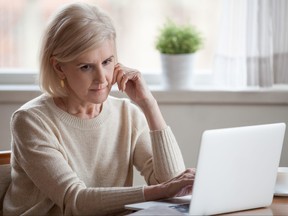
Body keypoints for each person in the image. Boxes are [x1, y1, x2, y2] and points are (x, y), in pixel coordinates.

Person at [3, 2, 195, 215]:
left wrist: (149, 104)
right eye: (86, 67)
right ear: (58, 67)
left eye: (107, 61)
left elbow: (174, 187)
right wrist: (158, 191)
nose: (102, 78)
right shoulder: (30, 121)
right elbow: (74, 200)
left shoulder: (127, 114)